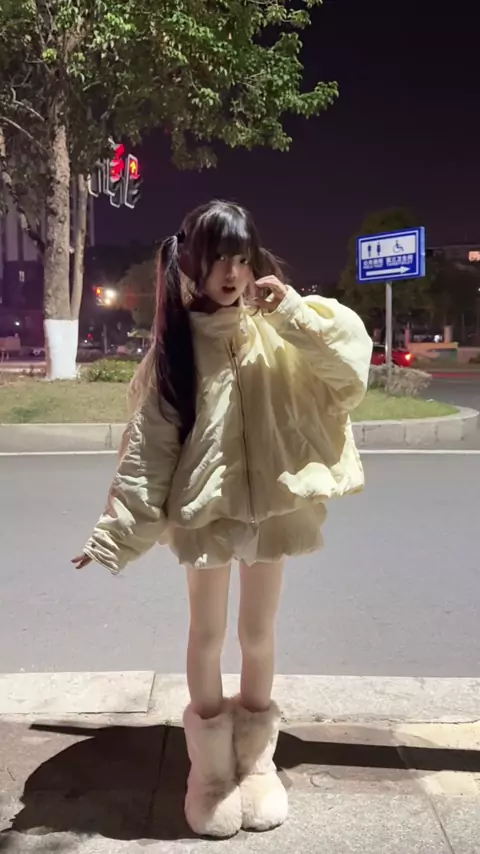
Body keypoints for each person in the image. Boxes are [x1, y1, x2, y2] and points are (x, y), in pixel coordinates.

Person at [72, 199, 372, 839]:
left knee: (258, 633)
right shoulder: (178, 349)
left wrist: (290, 311)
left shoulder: (280, 326)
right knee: (206, 635)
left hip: (272, 510)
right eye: (217, 260)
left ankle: (256, 762)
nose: (231, 274)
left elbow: (347, 373)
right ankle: (209, 772)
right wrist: (114, 534)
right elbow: (149, 450)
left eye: (240, 258)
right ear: (191, 265)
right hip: (205, 513)